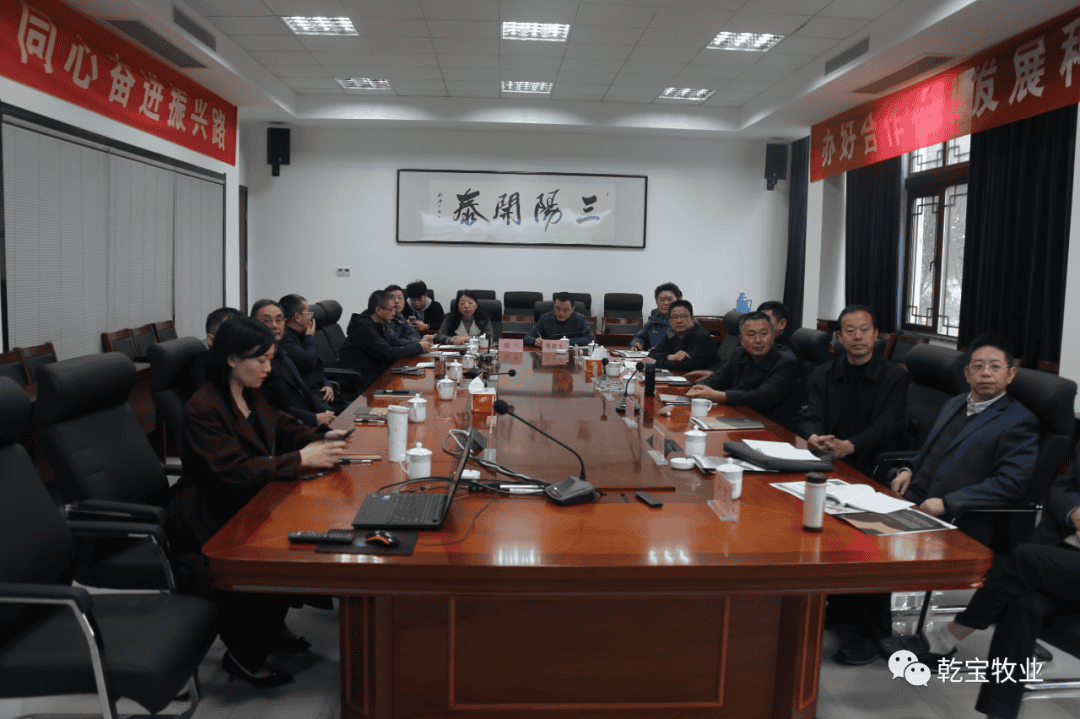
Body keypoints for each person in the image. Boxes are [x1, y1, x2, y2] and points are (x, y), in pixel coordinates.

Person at [833, 334, 1039, 666]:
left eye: (995, 367)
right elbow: (930, 452)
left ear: (1010, 374)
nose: (986, 373)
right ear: (967, 374)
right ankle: (845, 613)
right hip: (915, 500)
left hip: (960, 518)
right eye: (978, 366)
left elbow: (1011, 483)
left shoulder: (1019, 420)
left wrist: (948, 502)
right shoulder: (955, 403)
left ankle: (873, 635)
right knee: (842, 524)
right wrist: (908, 468)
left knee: (875, 546)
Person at [165, 316, 348, 687]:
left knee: (310, 525)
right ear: (232, 358)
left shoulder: (250, 392)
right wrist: (300, 459)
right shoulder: (204, 408)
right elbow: (231, 471)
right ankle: (244, 656)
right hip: (211, 512)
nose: (268, 367)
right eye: (261, 360)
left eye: (270, 358)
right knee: (287, 546)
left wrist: (321, 436)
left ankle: (271, 627)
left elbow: (280, 424)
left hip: (247, 498)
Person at [880, 464, 1080, 719]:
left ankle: (949, 636)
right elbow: (1063, 486)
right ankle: (998, 714)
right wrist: (1075, 511)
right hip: (1064, 555)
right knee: (1024, 603)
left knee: (1025, 558)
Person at [798, 305, 909, 476]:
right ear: (840, 337)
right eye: (850, 331)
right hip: (826, 457)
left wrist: (850, 445)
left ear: (876, 334)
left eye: (865, 330)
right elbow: (811, 415)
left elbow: (887, 427)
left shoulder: (895, 376)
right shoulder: (823, 373)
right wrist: (813, 436)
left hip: (869, 461)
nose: (858, 337)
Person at [686, 311, 800, 429]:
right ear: (741, 340)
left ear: (772, 336)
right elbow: (717, 379)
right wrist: (698, 388)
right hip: (740, 418)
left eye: (764, 334)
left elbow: (762, 397)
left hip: (775, 427)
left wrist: (720, 396)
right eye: (751, 334)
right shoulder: (739, 354)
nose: (758, 340)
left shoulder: (786, 361)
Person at [252, 299, 334, 428]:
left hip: (311, 416)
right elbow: (269, 408)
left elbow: (309, 378)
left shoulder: (281, 353)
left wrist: (323, 412)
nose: (274, 325)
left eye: (279, 320)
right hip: (293, 427)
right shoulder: (256, 363)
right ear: (254, 324)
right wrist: (314, 418)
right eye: (267, 320)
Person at [339, 290, 434, 389]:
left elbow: (393, 341)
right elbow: (390, 352)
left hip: (376, 372)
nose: (394, 313)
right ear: (379, 310)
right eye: (391, 309)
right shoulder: (365, 328)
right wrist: (419, 347)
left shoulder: (377, 322)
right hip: (361, 380)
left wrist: (419, 343)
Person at [278, 294, 335, 404]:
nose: (310, 318)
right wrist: (310, 337)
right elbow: (308, 363)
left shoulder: (301, 334)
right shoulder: (284, 338)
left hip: (321, 392)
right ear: (297, 316)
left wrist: (327, 384)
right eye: (308, 313)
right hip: (307, 398)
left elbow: (317, 366)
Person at [642, 299, 719, 371]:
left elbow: (688, 365)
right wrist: (669, 357)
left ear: (692, 319)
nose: (679, 321)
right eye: (675, 317)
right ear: (670, 321)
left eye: (684, 316)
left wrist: (656, 363)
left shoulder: (702, 337)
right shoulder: (672, 333)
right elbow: (653, 354)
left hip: (704, 378)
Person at [524, 292, 595, 346]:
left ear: (572, 309)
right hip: (549, 357)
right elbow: (527, 337)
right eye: (557, 308)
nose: (560, 313)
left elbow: (591, 339)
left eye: (565, 310)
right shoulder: (545, 318)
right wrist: (534, 341)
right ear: (554, 306)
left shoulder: (580, 319)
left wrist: (564, 343)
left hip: (572, 356)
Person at [630, 283, 681, 351]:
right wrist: (637, 343)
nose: (665, 303)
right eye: (661, 299)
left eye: (669, 299)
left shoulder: (687, 322)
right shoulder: (654, 320)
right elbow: (640, 337)